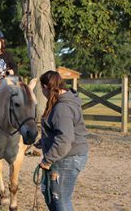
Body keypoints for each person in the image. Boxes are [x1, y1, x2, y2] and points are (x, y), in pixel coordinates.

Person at [36, 71, 88, 211]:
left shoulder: (62, 107)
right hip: (65, 156)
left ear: (46, 87)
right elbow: (60, 131)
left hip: (67, 158)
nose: (42, 92)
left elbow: (65, 139)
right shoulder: (60, 102)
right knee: (51, 195)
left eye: (41, 88)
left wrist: (47, 160)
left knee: (60, 200)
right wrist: (44, 141)